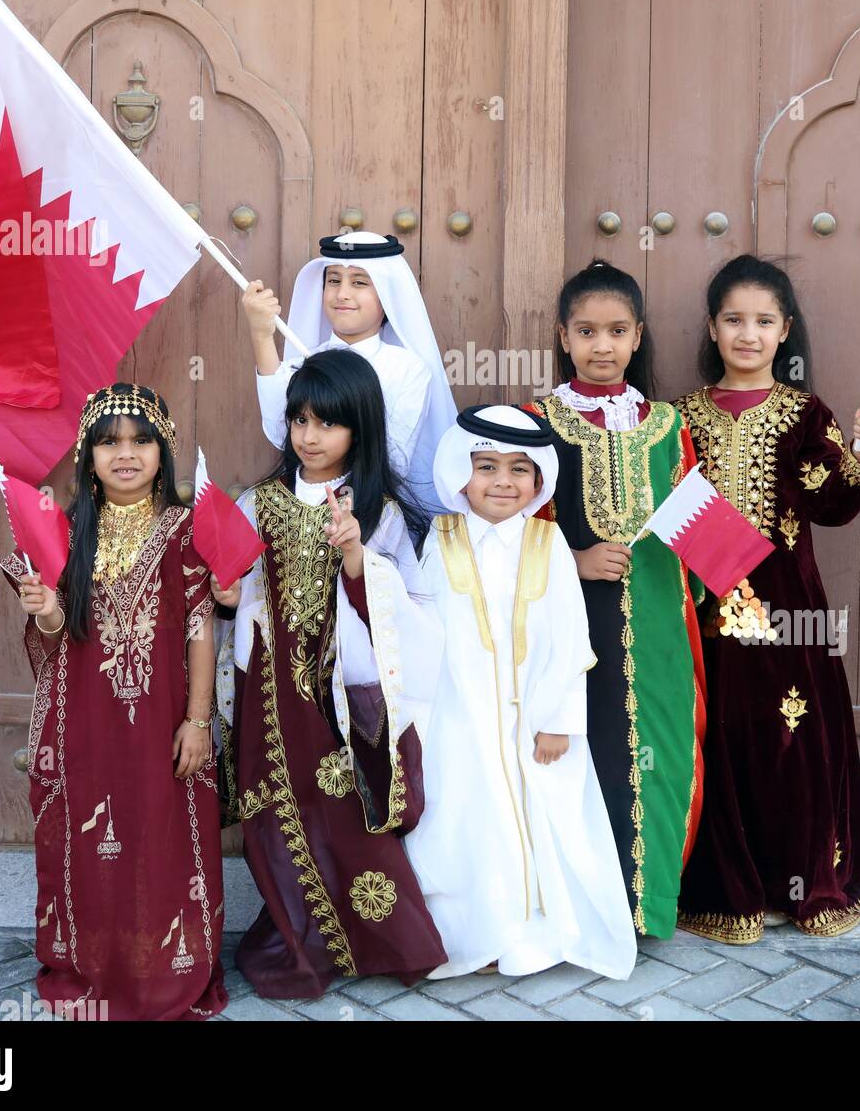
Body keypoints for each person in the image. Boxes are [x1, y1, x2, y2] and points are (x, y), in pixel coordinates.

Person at [212, 347, 446, 998]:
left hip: (346, 698)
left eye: (328, 423)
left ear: (359, 429)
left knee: (348, 818)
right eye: (299, 421)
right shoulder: (257, 504)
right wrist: (226, 595)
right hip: (271, 691)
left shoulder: (385, 516)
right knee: (274, 817)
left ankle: (385, 942)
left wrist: (356, 558)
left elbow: (415, 613)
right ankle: (298, 939)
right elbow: (234, 595)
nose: (310, 438)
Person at [674, 253, 860, 944]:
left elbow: (834, 504)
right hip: (705, 609)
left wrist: (859, 449)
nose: (748, 333)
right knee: (722, 739)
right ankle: (728, 888)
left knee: (791, 740)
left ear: (785, 331)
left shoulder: (803, 413)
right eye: (733, 319)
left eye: (763, 321)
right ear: (711, 328)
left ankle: (800, 878)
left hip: (789, 613)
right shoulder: (677, 418)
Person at [1, 383, 227, 1021]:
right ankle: (91, 968)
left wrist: (198, 719)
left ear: (164, 451)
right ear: (88, 457)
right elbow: (54, 640)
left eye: (140, 441)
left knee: (162, 839)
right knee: (86, 841)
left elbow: (200, 626)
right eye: (109, 443)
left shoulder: (186, 530)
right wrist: (45, 611)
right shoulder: (63, 531)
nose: (125, 454)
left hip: (166, 724)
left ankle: (166, 974)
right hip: (85, 727)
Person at [406, 405, 637, 980]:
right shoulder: (438, 537)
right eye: (486, 467)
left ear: (539, 480)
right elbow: (420, 628)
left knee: (543, 819)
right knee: (463, 820)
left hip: (536, 722)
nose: (502, 482)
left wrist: (559, 718)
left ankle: (533, 933)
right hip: (460, 719)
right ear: (460, 472)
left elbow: (569, 634)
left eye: (518, 469)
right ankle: (470, 936)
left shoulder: (548, 540)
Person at [527, 260, 706, 940]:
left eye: (617, 331)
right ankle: (583, 913)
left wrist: (740, 594)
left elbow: (696, 520)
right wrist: (572, 560)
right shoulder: (537, 422)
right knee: (581, 756)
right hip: (570, 624)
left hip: (659, 618)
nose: (602, 345)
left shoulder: (667, 425)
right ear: (563, 336)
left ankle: (648, 906)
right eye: (587, 331)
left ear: (639, 337)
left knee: (658, 751)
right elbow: (512, 526)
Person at [242, 231, 456, 515]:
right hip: (300, 508)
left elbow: (393, 460)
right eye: (333, 281)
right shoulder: (308, 360)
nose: (342, 293)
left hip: (371, 514)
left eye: (359, 282)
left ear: (386, 295)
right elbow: (279, 431)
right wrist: (261, 336)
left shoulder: (407, 368)